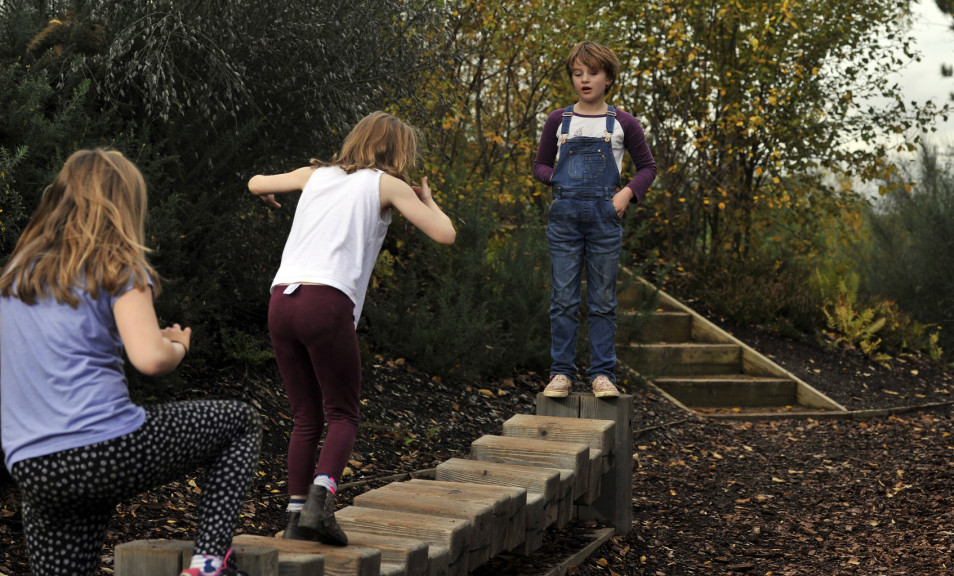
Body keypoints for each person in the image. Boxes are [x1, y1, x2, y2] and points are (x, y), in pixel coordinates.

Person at [0, 149, 263, 576]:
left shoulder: (16, 277)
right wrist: (175, 345)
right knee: (239, 423)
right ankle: (210, 564)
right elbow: (150, 359)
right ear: (123, 206)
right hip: (103, 448)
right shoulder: (116, 263)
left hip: (33, 466)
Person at [248, 111, 456, 546]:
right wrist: (430, 200)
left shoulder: (314, 175)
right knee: (343, 413)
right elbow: (445, 234)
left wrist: (268, 195)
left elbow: (255, 182)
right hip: (326, 301)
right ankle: (320, 507)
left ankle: (294, 517)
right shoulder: (387, 184)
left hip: (281, 300)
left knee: (305, 416)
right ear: (398, 151)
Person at [533, 41, 657, 399]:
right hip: (564, 218)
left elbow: (648, 168)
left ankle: (602, 374)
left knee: (603, 300)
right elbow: (540, 165)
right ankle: (561, 373)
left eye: (592, 73)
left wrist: (626, 194)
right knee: (563, 299)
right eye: (577, 73)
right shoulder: (559, 120)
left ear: (608, 78)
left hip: (605, 217)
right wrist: (554, 178)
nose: (584, 79)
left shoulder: (623, 123)